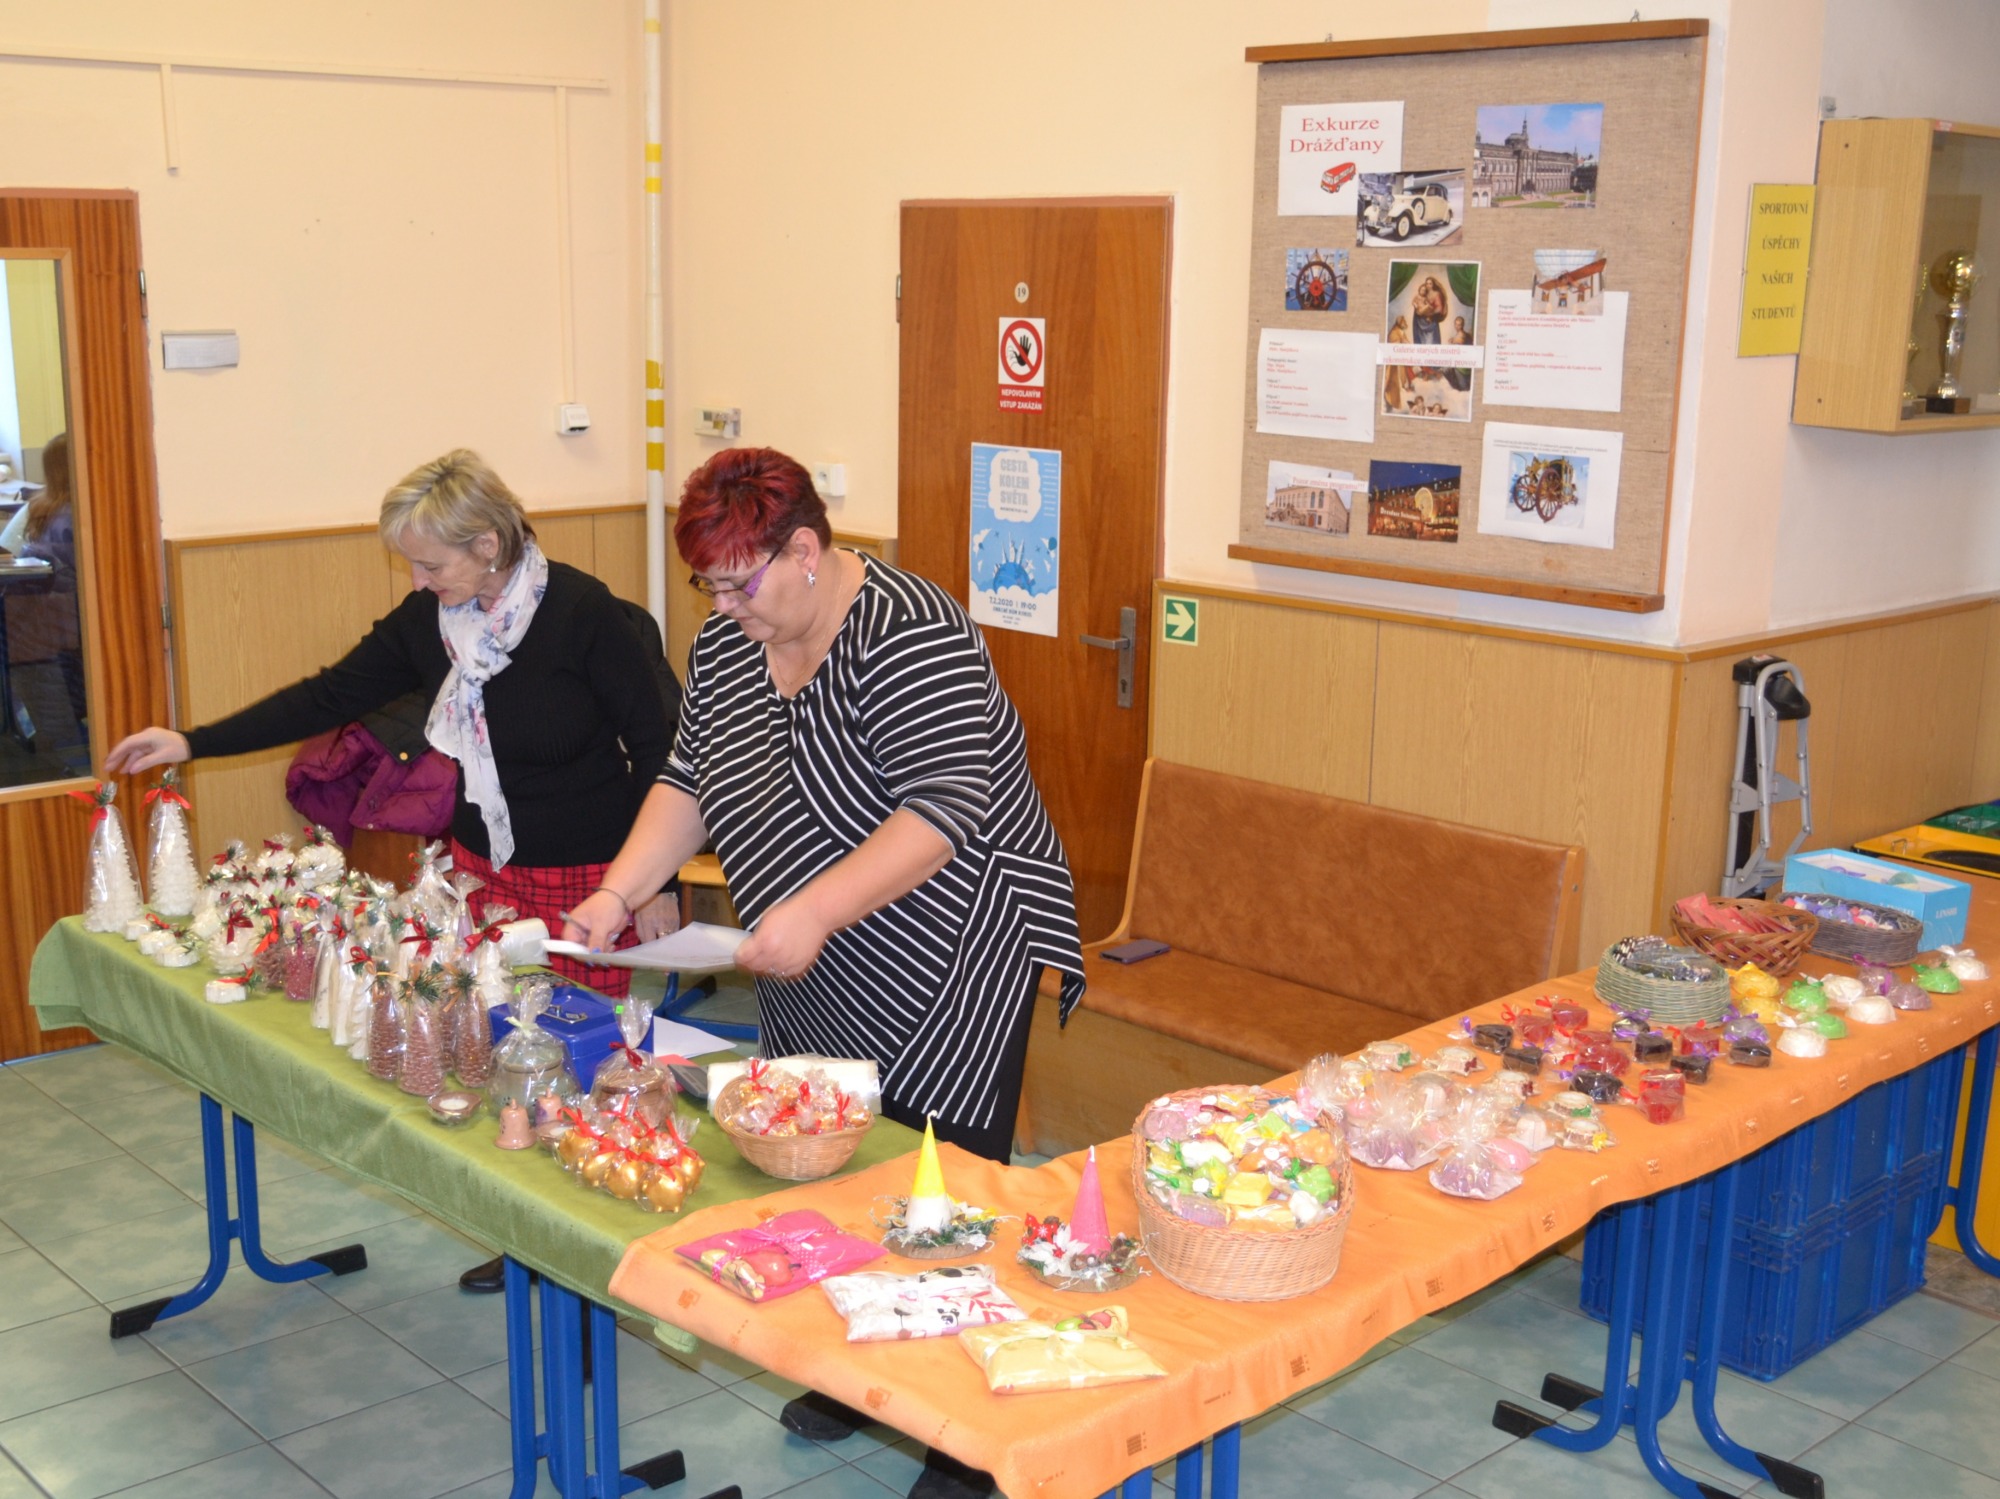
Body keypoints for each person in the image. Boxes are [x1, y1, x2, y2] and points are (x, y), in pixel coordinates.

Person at [564, 447, 1085, 1499]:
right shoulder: (732, 641)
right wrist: (617, 892)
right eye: (708, 586)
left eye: (738, 582)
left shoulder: (912, 632)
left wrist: (811, 910)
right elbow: (687, 779)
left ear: (805, 548)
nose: (722, 607)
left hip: (950, 947)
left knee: (937, 1198)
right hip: (814, 955)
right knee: (834, 1172)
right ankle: (858, 1373)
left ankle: (964, 1445)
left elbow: (941, 811)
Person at [104, 449, 678, 1297]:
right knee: (503, 1055)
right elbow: (327, 695)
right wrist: (192, 740)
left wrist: (652, 882)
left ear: (488, 545)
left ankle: (603, 1258)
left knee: (586, 1065)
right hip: (482, 873)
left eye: (430, 563)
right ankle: (528, 1238)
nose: (417, 580)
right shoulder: (432, 621)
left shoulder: (585, 614)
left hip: (594, 879)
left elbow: (666, 749)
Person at [4, 432, 88, 768]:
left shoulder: (40, 509)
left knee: (57, 710)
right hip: (61, 630)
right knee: (66, 711)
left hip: (30, 630)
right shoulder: (77, 518)